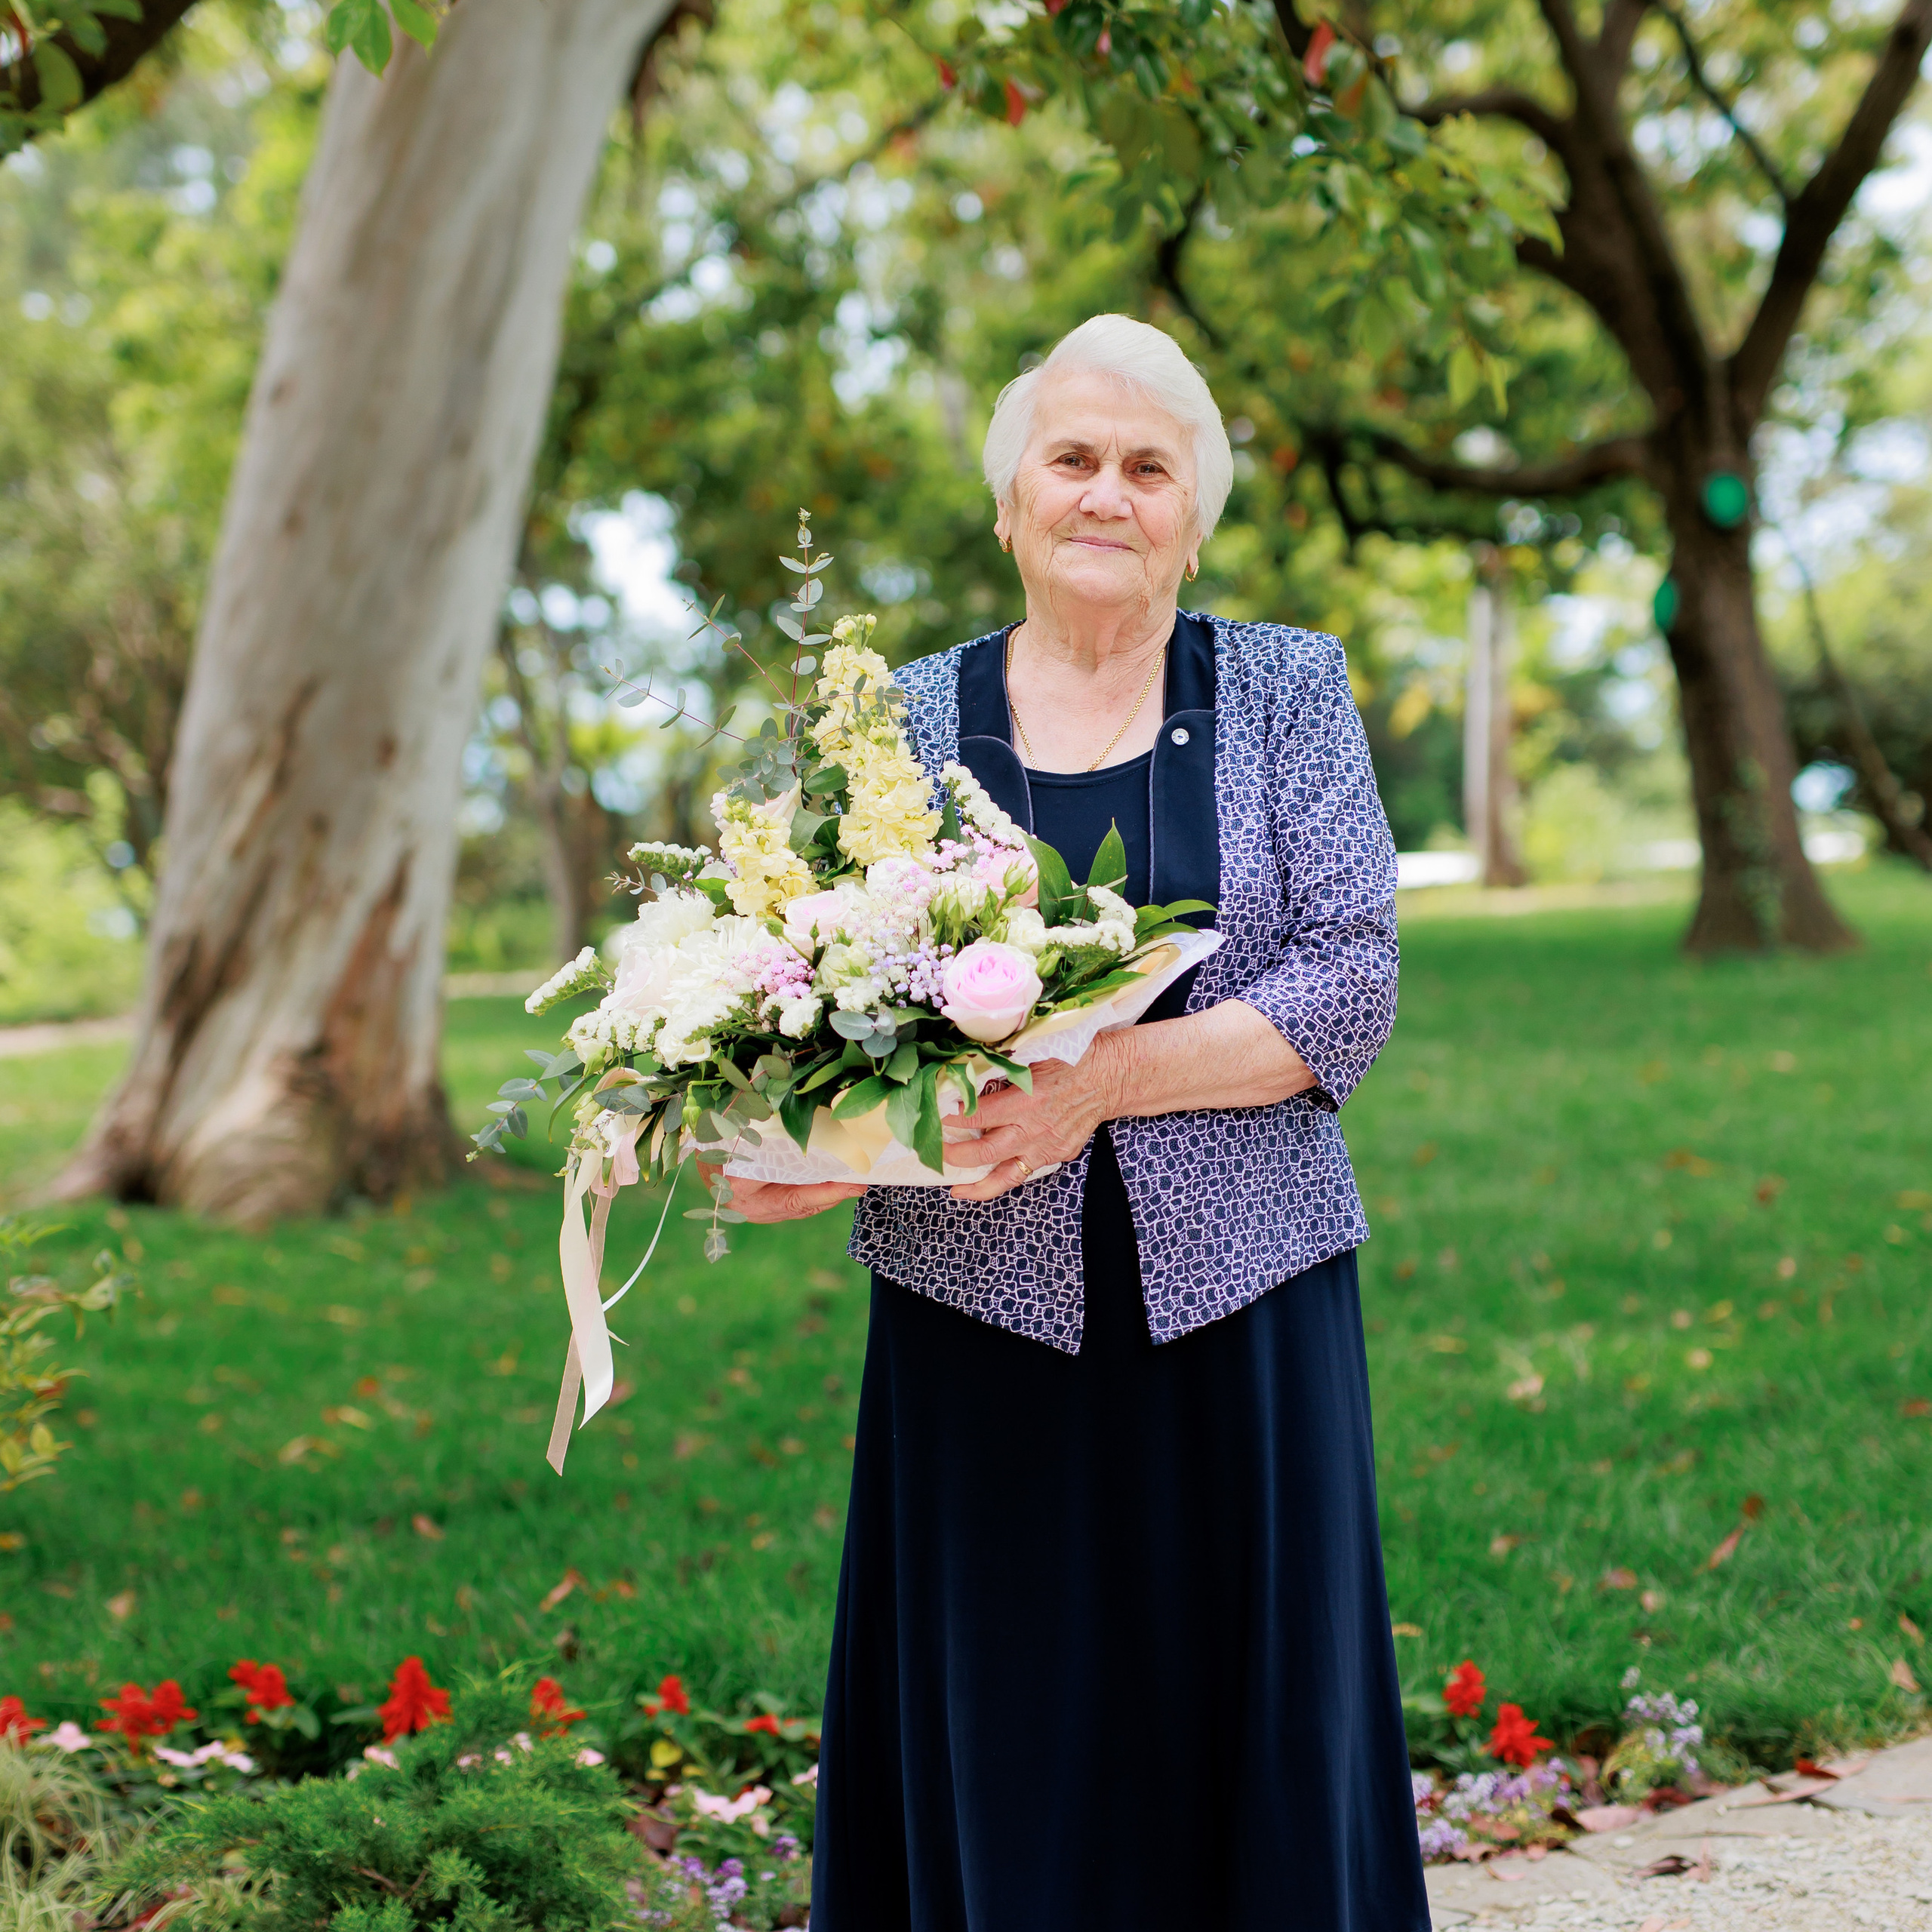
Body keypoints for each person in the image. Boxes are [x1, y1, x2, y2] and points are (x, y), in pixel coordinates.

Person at [717, 314, 1423, 1930]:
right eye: (1072, 458)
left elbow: (1350, 986)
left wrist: (1102, 1078)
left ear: (1191, 513)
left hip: (1241, 1300)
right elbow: (827, 995)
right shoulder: (899, 713)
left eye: (1146, 466)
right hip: (977, 1300)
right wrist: (803, 1156)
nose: (1106, 492)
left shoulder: (1286, 687)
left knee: (1245, 1703)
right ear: (1010, 504)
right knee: (1009, 1703)